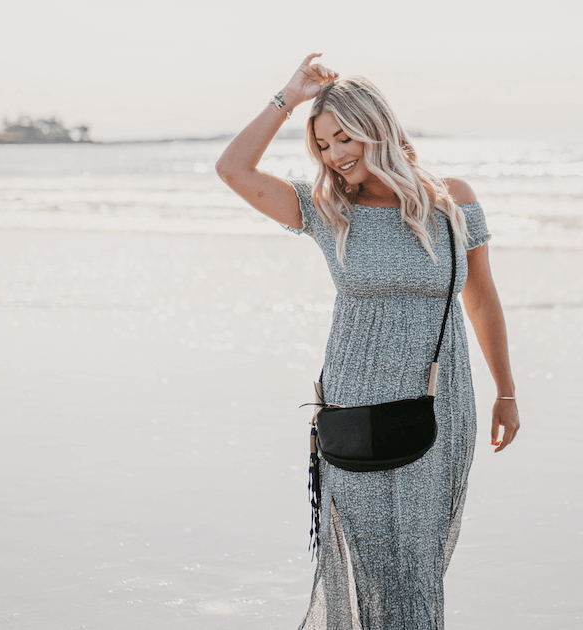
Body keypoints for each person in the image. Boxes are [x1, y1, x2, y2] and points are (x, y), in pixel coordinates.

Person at [216, 53, 519, 630]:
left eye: (344, 137)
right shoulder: (326, 209)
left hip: (439, 403)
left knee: (418, 565)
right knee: (370, 562)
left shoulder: (452, 200)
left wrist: (506, 391)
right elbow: (232, 169)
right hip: (355, 407)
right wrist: (288, 97)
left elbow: (481, 297)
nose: (335, 154)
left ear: (375, 126)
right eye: (323, 144)